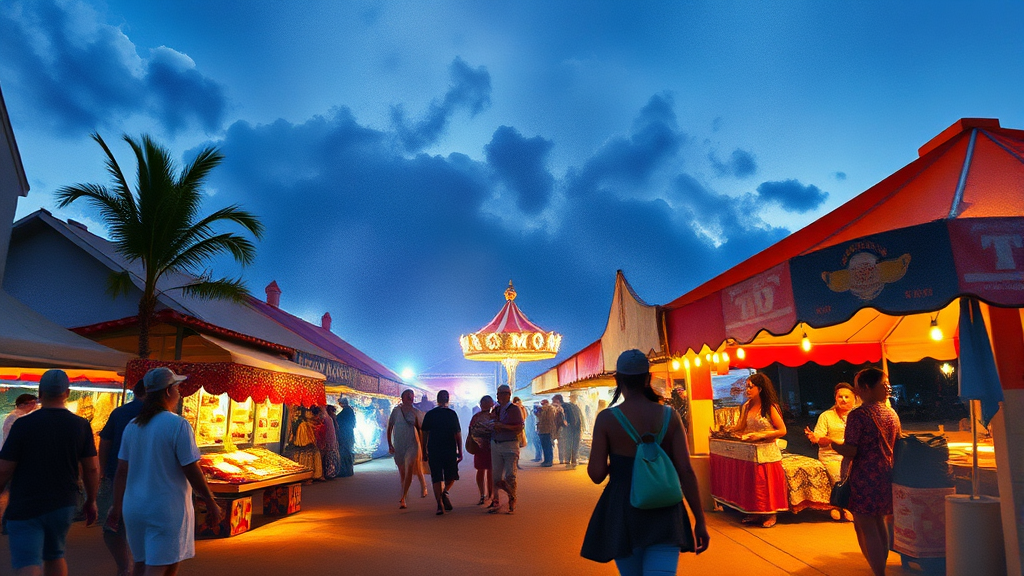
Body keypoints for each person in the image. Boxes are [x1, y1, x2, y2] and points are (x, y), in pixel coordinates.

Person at [582, 350, 710, 574]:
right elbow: (686, 471)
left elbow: (596, 475)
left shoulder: (607, 419)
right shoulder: (670, 416)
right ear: (648, 378)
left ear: (618, 380)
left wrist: (620, 463)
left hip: (623, 510)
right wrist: (699, 520)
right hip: (666, 510)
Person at [108, 367, 221, 576]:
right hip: (165, 509)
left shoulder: (133, 426)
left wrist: (116, 506)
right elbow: (191, 468)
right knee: (159, 566)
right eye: (177, 388)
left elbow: (121, 471)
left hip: (134, 508)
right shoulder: (177, 425)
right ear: (168, 391)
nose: (179, 394)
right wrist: (210, 500)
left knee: (142, 564)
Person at [0, 370, 100, 576]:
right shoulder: (81, 425)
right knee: (55, 554)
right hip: (63, 503)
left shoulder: (23, 424)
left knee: (28, 560)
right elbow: (91, 468)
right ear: (68, 393)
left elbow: (5, 468)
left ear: (40, 392)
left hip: (26, 502)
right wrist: (91, 500)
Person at [831, 368, 901, 576]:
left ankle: (878, 572)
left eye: (858, 386)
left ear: (867, 388)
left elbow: (851, 450)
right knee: (878, 521)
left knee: (866, 525)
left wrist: (832, 444)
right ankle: (880, 567)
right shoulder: (891, 413)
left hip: (865, 476)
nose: (855, 390)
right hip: (887, 474)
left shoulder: (858, 415)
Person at [98, 380, 146, 576]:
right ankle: (140, 565)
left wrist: (103, 471)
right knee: (143, 525)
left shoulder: (119, 413)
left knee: (113, 524)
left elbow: (105, 442)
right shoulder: (163, 416)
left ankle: (124, 566)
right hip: (146, 479)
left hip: (117, 473)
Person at [728, 372, 787, 528]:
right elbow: (741, 427)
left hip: (767, 451)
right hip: (751, 452)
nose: (747, 390)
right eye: (746, 387)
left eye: (750, 387)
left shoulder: (770, 407)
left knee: (767, 484)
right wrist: (730, 431)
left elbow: (782, 430)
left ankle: (771, 514)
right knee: (754, 484)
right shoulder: (747, 406)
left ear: (760, 389)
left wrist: (761, 434)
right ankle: (756, 512)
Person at [805, 382, 857, 522]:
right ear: (835, 398)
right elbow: (820, 438)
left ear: (854, 399)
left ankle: (840, 507)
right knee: (839, 475)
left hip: (852, 454)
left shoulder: (858, 416)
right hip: (831, 455)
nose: (844, 400)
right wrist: (816, 438)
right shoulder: (826, 416)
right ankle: (843, 508)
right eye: (840, 396)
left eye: (847, 397)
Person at [421, 390, 463, 516]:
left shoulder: (430, 414)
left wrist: (424, 450)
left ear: (437, 399)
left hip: (435, 448)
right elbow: (457, 434)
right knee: (450, 476)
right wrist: (460, 451)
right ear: (447, 400)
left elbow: (424, 434)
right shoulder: (451, 414)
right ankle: (442, 496)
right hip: (448, 448)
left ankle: (441, 500)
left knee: (437, 477)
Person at [387, 390, 428, 509]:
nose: (410, 398)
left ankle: (403, 497)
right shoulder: (396, 411)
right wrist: (390, 444)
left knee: (410, 466)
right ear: (402, 398)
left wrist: (423, 446)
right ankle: (413, 488)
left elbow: (421, 430)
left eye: (412, 396)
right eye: (408, 396)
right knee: (403, 472)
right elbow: (390, 427)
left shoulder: (416, 412)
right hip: (399, 444)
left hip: (412, 444)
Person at [489, 384, 524, 514]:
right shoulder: (496, 409)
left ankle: (511, 499)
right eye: (498, 394)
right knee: (496, 476)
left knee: (510, 475)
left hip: (510, 444)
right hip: (496, 444)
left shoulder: (514, 409)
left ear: (507, 395)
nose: (498, 396)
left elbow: (519, 427)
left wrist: (502, 426)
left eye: (501, 394)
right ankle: (497, 500)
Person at [468, 395, 496, 506]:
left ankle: (482, 495)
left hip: (479, 447)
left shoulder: (476, 417)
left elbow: (471, 430)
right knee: (490, 470)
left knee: (481, 470)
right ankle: (490, 494)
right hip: (491, 447)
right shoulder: (493, 416)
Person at [288, 408, 323, 481]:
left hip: (300, 446)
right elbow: (305, 442)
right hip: (304, 445)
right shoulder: (303, 424)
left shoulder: (300, 422)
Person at [553, 394, 583, 469]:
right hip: (577, 428)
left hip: (570, 429)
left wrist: (565, 424)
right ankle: (573, 462)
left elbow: (564, 420)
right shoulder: (573, 406)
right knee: (574, 445)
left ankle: (569, 462)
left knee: (568, 445)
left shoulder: (564, 407)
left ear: (557, 401)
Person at [311, 406, 341, 479]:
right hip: (328, 441)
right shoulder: (330, 418)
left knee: (322, 456)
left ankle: (323, 473)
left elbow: (325, 431)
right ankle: (327, 472)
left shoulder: (325, 419)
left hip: (324, 440)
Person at [335, 399, 356, 477]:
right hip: (348, 433)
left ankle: (345, 471)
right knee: (347, 451)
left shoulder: (345, 412)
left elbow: (340, 422)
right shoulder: (349, 411)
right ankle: (348, 470)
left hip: (345, 434)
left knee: (344, 452)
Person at [536, 399, 557, 467]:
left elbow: (550, 420)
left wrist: (552, 431)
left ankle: (549, 461)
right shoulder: (543, 410)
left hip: (547, 430)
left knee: (548, 446)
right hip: (542, 430)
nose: (542, 406)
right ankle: (546, 460)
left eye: (543, 404)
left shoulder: (550, 409)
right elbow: (540, 419)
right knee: (544, 446)